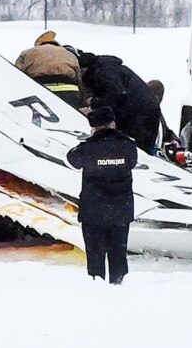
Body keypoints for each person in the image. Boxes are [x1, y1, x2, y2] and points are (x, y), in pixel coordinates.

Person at [66, 106, 137, 284]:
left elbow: (71, 159)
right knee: (118, 254)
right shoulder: (128, 145)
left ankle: (97, 286)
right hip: (121, 210)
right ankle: (118, 285)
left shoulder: (87, 148)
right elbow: (132, 162)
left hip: (94, 211)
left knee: (95, 256)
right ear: (113, 123)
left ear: (93, 127)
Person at [78, 51, 163, 154]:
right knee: (145, 152)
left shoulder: (102, 72)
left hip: (137, 114)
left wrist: (94, 102)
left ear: (85, 68)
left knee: (136, 152)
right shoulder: (112, 67)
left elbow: (117, 94)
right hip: (149, 109)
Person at [14, 31, 84, 110]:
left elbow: (17, 76)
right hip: (69, 90)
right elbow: (78, 78)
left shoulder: (27, 53)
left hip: (42, 90)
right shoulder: (69, 54)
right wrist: (81, 99)